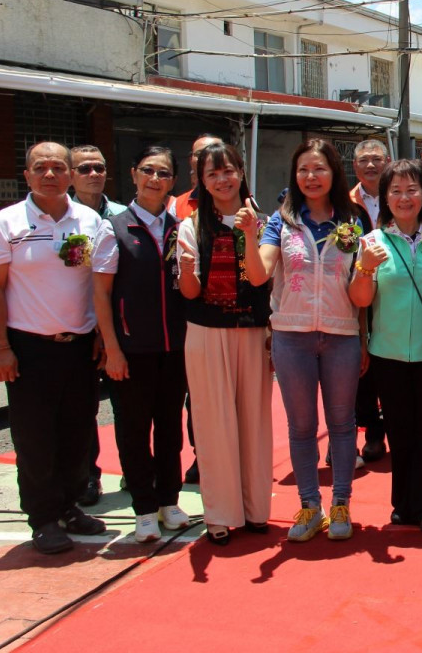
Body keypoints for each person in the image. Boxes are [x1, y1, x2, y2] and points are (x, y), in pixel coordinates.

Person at [248, 139, 370, 542]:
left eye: (319, 169)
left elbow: (365, 285)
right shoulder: (280, 222)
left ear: (334, 173)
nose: (311, 177)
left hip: (341, 335)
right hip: (292, 336)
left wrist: (364, 338)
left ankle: (340, 503)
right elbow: (259, 274)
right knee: (301, 427)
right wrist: (250, 236)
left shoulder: (354, 220)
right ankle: (308, 505)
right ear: (293, 176)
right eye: (303, 170)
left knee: (342, 423)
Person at [0, 142, 108, 554]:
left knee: (78, 433)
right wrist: (2, 348)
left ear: (69, 174)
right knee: (34, 439)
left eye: (57, 167)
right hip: (29, 348)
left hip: (79, 346)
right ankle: (43, 518)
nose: (49, 174)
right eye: (39, 167)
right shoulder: (8, 222)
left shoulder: (89, 219)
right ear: (26, 175)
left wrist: (100, 334)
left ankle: (70, 506)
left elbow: (97, 284)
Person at [350, 160, 422, 533]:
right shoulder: (371, 243)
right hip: (389, 354)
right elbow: (361, 301)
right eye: (395, 190)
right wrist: (365, 268)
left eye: (412, 189)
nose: (404, 197)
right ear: (384, 198)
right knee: (401, 430)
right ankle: (405, 503)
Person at [92, 145, 190, 543]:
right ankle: (145, 508)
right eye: (148, 171)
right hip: (130, 352)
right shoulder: (112, 228)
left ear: (173, 182)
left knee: (170, 429)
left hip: (174, 350)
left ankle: (169, 499)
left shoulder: (180, 228)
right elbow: (101, 296)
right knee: (133, 431)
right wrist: (112, 350)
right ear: (133, 174)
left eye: (163, 173)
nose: (155, 179)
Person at [176, 141, 272, 545]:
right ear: (201, 180)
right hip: (206, 332)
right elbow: (190, 292)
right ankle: (218, 512)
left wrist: (249, 233)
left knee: (254, 421)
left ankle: (254, 510)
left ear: (241, 173)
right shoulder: (190, 225)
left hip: (252, 331)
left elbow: (261, 278)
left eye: (228, 170)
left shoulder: (263, 221)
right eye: (212, 173)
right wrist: (184, 269)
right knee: (214, 423)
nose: (222, 179)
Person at [69, 144, 126, 507]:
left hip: (121, 330)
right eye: (85, 168)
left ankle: (136, 472)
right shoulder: (68, 219)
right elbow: (73, 276)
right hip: (82, 330)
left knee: (127, 408)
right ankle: (89, 476)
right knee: (83, 409)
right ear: (72, 175)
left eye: (99, 167)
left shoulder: (122, 216)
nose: (94, 174)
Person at [170, 133, 221, 485]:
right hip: (185, 308)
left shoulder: (242, 205)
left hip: (227, 314)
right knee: (194, 395)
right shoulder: (176, 206)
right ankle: (201, 454)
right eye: (200, 154)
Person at [350, 138, 391, 464]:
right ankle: (373, 435)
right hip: (358, 290)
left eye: (376, 159)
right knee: (364, 369)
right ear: (354, 167)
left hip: (395, 289)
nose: (370, 165)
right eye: (363, 160)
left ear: (388, 161)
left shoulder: (401, 193)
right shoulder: (345, 202)